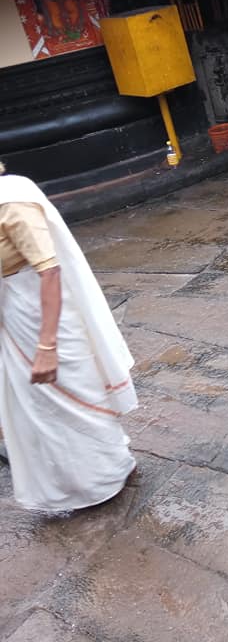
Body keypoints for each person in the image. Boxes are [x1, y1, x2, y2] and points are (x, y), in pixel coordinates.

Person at [0, 166, 137, 512]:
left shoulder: (12, 199)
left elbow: (49, 271)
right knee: (38, 405)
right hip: (14, 312)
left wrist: (47, 347)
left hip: (42, 311)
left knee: (73, 393)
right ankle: (70, 485)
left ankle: (104, 477)